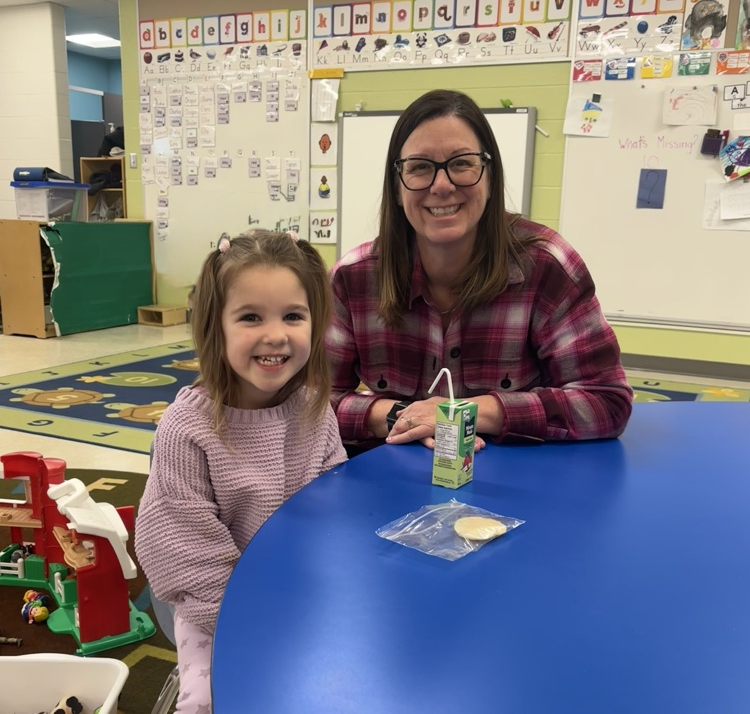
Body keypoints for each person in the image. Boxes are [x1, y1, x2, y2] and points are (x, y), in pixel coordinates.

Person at [326, 89, 633, 455]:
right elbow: (308, 404)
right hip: (388, 489)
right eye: (420, 167)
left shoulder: (547, 268)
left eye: (461, 163)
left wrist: (465, 413)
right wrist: (399, 415)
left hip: (517, 488)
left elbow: (606, 402)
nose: (442, 185)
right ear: (397, 187)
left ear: (490, 176)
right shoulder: (353, 279)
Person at [135, 230, 347, 713]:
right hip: (215, 606)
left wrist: (323, 588)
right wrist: (258, 620)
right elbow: (182, 552)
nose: (275, 335)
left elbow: (334, 506)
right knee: (213, 699)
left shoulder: (315, 408)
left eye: (293, 316)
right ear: (217, 327)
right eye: (251, 317)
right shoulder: (187, 428)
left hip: (297, 588)